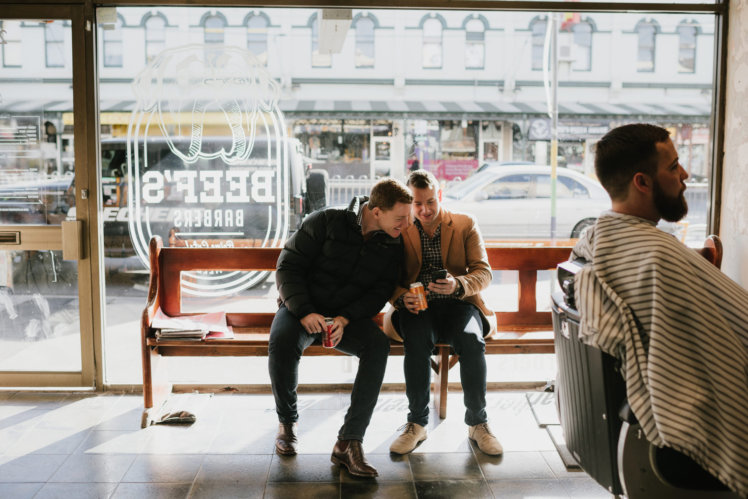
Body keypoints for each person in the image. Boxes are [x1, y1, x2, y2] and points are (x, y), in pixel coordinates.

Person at [571, 123, 748, 497]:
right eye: (674, 166)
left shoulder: (605, 240)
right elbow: (724, 359)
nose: (685, 175)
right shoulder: (656, 258)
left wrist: (692, 265)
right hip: (687, 442)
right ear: (642, 182)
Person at [269, 177, 413, 478]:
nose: (406, 225)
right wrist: (305, 311)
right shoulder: (326, 220)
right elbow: (288, 266)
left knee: (377, 346)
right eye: (400, 218)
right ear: (376, 211)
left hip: (348, 316)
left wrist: (347, 318)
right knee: (282, 340)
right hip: (302, 309)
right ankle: (287, 423)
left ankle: (349, 441)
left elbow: (380, 291)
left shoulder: (392, 241)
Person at [384, 169, 502, 456]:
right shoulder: (399, 227)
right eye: (417, 204)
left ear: (439, 196)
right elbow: (384, 276)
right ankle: (417, 423)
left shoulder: (464, 224)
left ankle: (478, 423)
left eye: (430, 202)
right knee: (416, 341)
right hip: (416, 306)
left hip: (460, 304)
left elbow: (484, 273)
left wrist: (457, 284)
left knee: (473, 343)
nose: (424, 210)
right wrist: (401, 298)